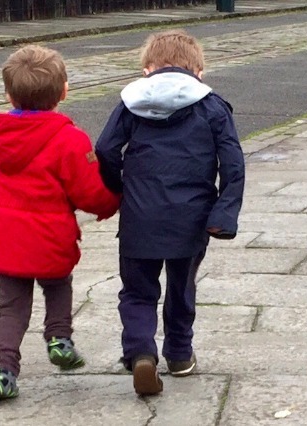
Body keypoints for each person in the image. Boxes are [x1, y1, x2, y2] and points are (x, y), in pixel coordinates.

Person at [95, 30, 245, 396]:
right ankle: (179, 354)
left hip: (140, 215)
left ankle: (141, 352)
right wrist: (224, 213)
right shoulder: (212, 107)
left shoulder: (130, 104)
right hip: (191, 218)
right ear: (198, 71)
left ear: (148, 69)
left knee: (137, 291)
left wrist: (119, 188)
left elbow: (105, 148)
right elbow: (233, 164)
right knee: (182, 287)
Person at [0, 44, 122, 400]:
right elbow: (88, 191)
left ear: (9, 95)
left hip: (7, 238)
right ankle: (59, 338)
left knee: (11, 309)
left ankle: (2, 370)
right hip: (50, 237)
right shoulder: (68, 138)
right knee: (58, 285)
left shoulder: (4, 137)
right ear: (64, 91)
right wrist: (113, 204)